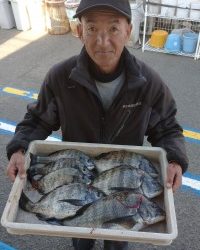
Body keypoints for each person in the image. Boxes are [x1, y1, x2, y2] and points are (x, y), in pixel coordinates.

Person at [6, 0, 188, 249]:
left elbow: (167, 128)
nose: (102, 41)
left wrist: (175, 160)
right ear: (79, 31)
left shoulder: (149, 84)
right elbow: (37, 120)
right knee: (81, 237)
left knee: (118, 240)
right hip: (76, 181)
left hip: (124, 190)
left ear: (129, 30)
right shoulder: (60, 78)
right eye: (92, 29)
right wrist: (18, 149)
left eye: (113, 29)